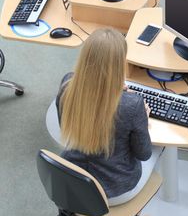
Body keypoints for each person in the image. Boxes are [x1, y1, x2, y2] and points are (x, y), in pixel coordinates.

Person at [56, 28, 162, 206]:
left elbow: (66, 123)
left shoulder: (68, 85)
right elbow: (143, 154)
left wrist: (114, 92)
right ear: (119, 64)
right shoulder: (132, 105)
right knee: (162, 146)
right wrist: (143, 119)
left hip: (73, 178)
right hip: (115, 189)